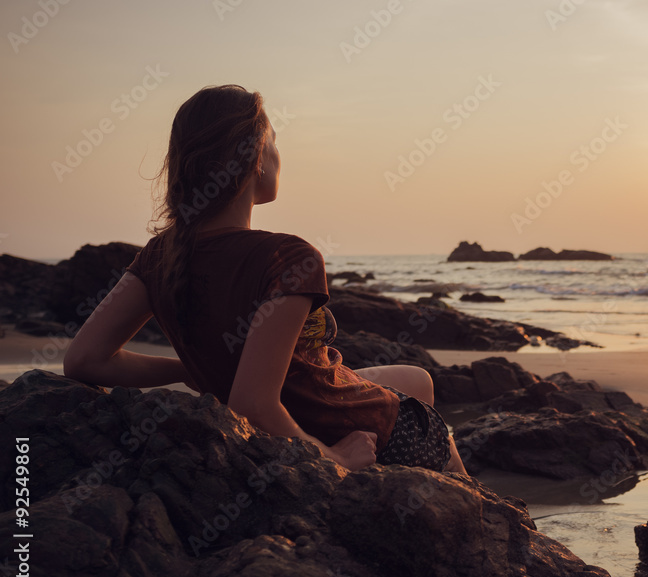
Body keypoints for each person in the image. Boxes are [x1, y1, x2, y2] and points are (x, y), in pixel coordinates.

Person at [63, 84, 466, 474]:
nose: (278, 153)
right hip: (341, 426)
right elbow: (253, 405)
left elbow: (84, 360)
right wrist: (335, 459)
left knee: (417, 379)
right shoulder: (289, 257)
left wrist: (184, 370)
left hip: (317, 394)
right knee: (438, 442)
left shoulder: (161, 255)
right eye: (274, 141)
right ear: (256, 155)